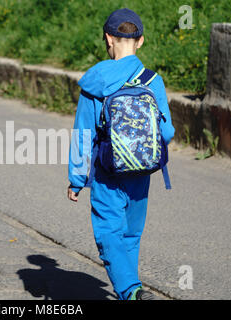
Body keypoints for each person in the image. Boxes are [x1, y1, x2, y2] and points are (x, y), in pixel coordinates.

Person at [67, 8, 175, 300]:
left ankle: (131, 291)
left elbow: (83, 135)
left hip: (108, 171)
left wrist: (77, 180)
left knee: (107, 232)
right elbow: (166, 133)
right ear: (140, 41)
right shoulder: (153, 81)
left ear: (108, 39)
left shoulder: (96, 82)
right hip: (142, 171)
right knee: (130, 233)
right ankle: (132, 289)